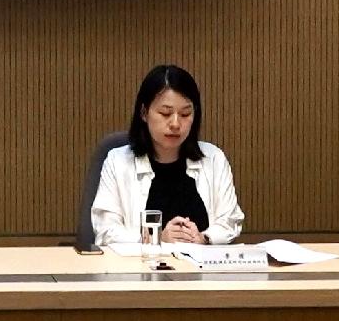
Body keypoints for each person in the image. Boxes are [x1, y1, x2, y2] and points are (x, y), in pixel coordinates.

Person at [87, 63, 242, 248]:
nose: (175, 123)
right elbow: (106, 231)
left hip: (202, 271)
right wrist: (157, 239)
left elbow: (231, 219)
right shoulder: (117, 162)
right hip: (138, 271)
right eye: (165, 113)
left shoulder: (213, 158)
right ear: (144, 113)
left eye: (185, 114)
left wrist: (203, 237)